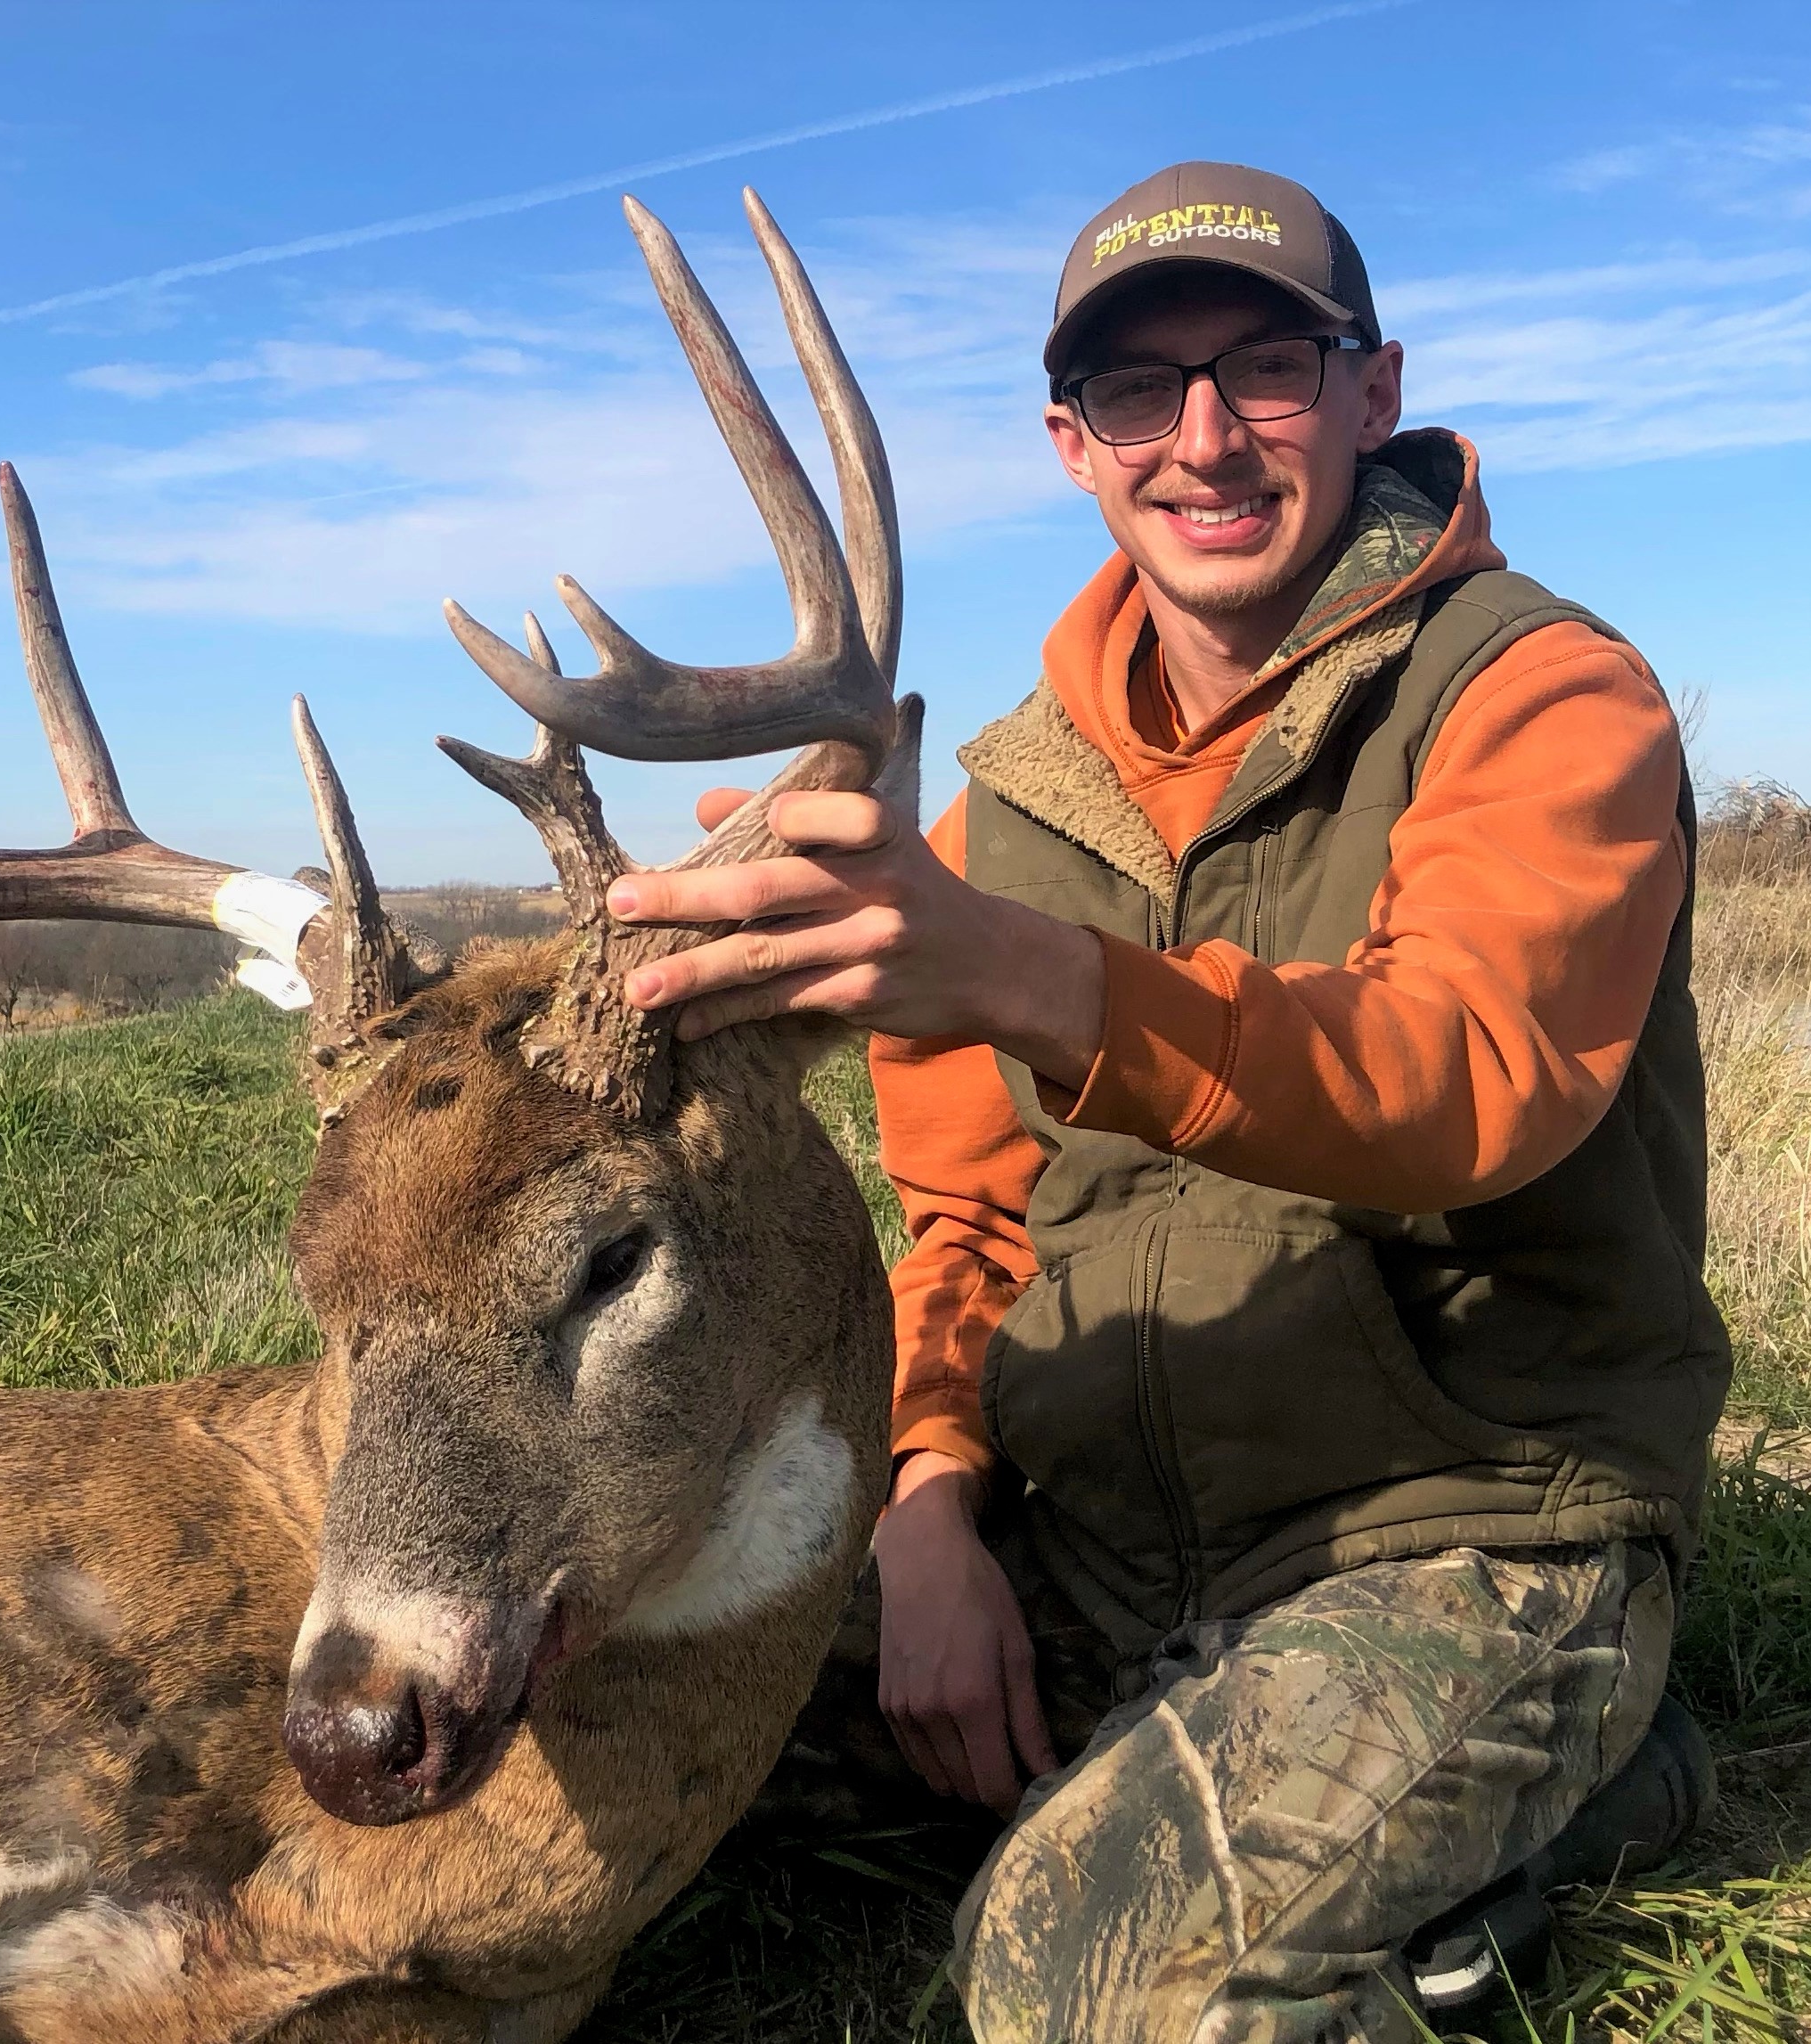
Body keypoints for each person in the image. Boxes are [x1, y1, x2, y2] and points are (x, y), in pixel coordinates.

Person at [605, 161, 1728, 2043]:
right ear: (1072, 443)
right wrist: (930, 1508)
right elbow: (968, 1226)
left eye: (1265, 368)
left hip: (1466, 1521)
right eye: (1137, 390)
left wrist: (1028, 977)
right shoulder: (1011, 814)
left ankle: (1588, 1756)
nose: (1202, 439)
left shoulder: (1542, 697)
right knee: (637, 1731)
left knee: (1069, 1983)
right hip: (1110, 1535)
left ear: (1372, 392)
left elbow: (1465, 1069)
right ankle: (1392, 1794)